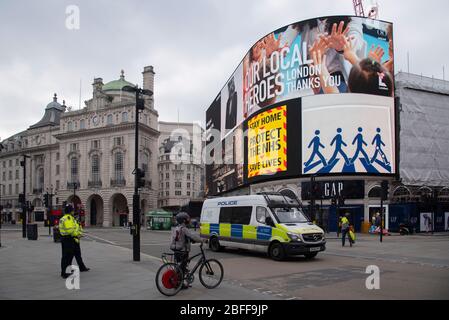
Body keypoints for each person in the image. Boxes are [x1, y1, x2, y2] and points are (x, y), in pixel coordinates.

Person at [170, 212, 207, 289]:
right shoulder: (184, 229)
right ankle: (180, 285)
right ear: (183, 220)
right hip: (183, 251)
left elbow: (181, 238)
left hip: (176, 249)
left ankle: (178, 282)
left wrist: (190, 240)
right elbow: (193, 236)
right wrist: (202, 240)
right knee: (182, 268)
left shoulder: (176, 228)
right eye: (187, 219)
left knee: (180, 267)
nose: (188, 220)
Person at [59, 204, 88, 279]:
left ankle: (66, 271)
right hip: (68, 239)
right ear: (70, 211)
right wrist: (76, 235)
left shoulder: (67, 218)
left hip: (68, 238)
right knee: (67, 256)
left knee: (69, 255)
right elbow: (70, 230)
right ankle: (64, 273)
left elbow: (75, 228)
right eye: (72, 210)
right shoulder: (68, 218)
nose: (73, 211)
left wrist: (78, 234)